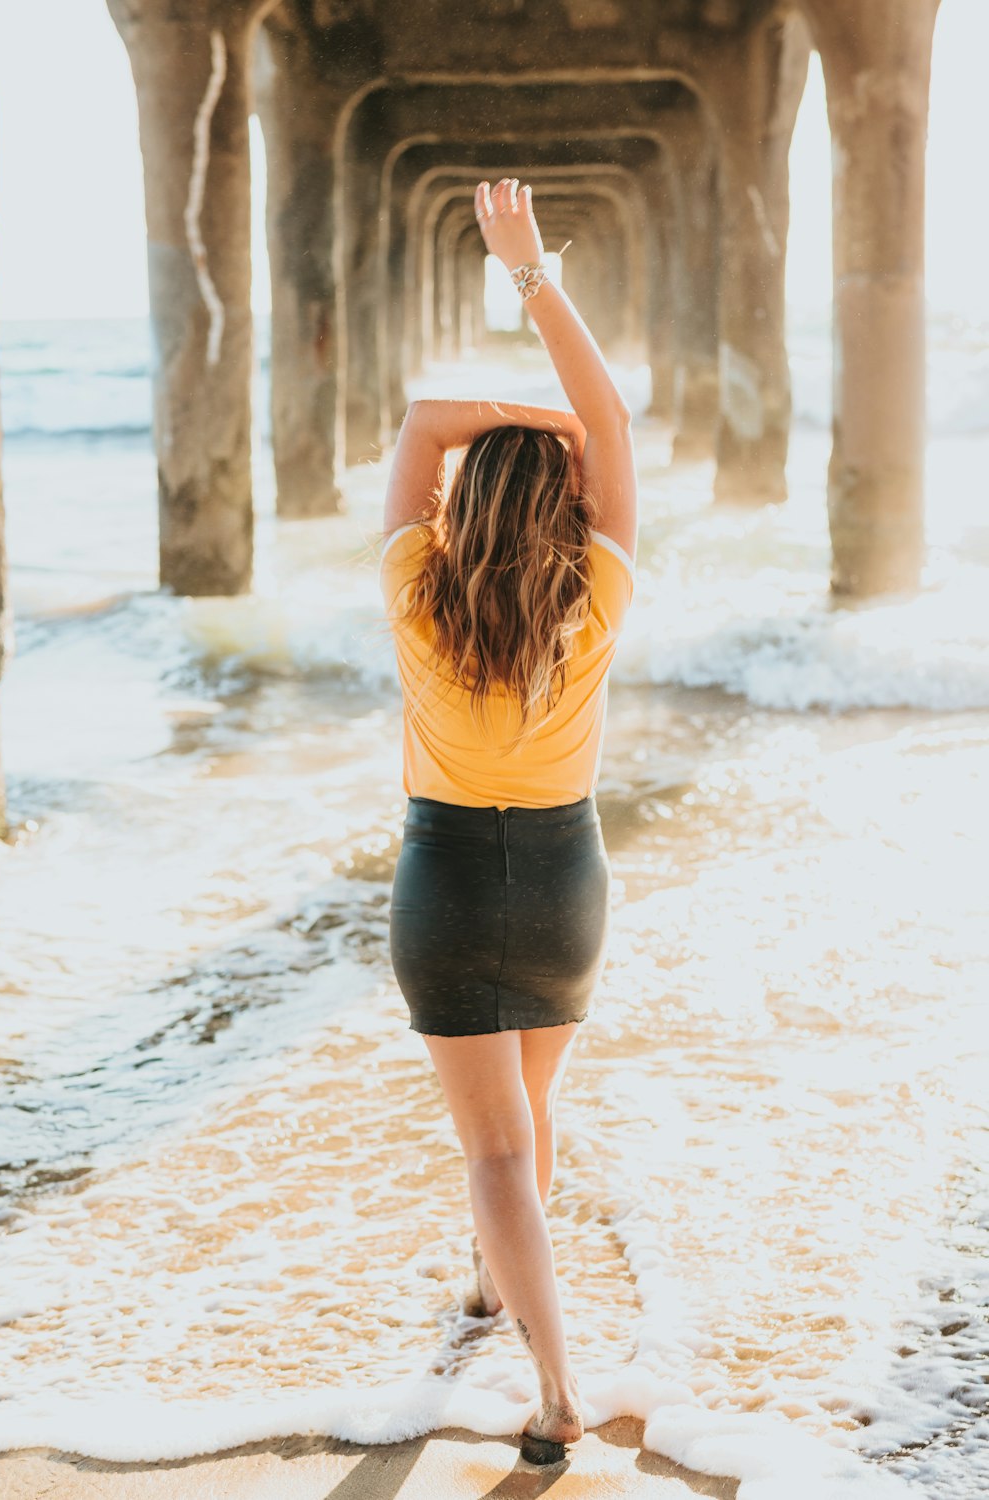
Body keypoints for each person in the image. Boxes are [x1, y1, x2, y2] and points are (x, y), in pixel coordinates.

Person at [379, 177, 637, 1466]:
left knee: (492, 1146)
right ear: (568, 508)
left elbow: (426, 420)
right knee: (528, 1126)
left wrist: (519, 423)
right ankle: (495, 1285)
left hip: (443, 878)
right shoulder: (597, 594)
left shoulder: (416, 590)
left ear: (465, 511)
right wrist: (533, 275)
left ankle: (555, 1387)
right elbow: (609, 420)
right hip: (560, 878)